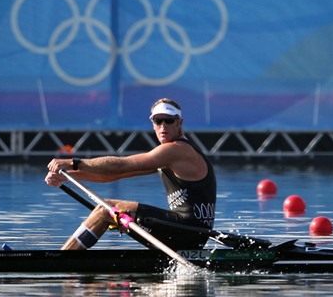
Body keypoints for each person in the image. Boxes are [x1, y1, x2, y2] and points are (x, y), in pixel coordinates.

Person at [45, 98, 216, 250]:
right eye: (158, 121)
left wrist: (73, 162)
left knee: (106, 210)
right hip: (189, 233)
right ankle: (67, 256)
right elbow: (112, 176)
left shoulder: (177, 150)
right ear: (153, 123)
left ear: (180, 123)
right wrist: (68, 175)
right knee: (107, 210)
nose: (163, 126)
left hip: (189, 232)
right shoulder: (170, 156)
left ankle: (63, 258)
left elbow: (121, 165)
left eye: (169, 120)